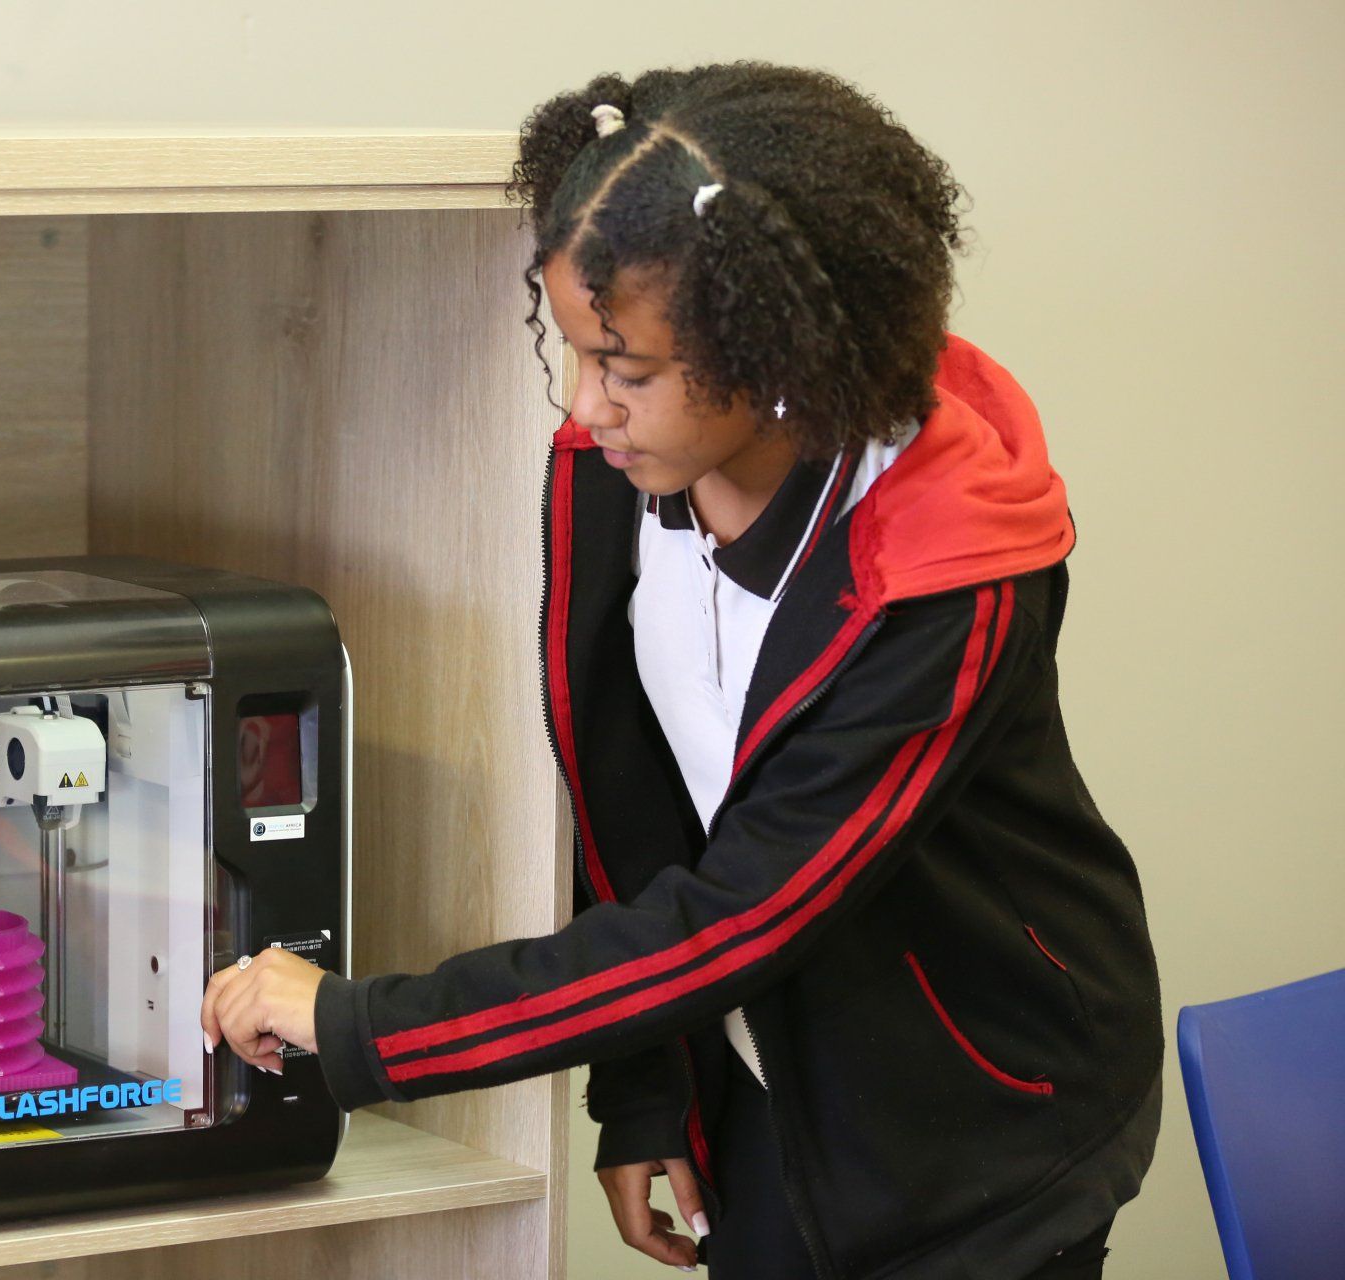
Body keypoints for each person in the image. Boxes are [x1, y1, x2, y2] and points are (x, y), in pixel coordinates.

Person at [199, 61, 1162, 1280]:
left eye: (628, 370)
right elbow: (632, 793)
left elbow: (750, 909)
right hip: (770, 1062)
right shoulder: (617, 473)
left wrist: (355, 1021)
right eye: (574, 349)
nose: (583, 403)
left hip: (979, 1111)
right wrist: (646, 1091)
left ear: (777, 350)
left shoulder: (947, 581)